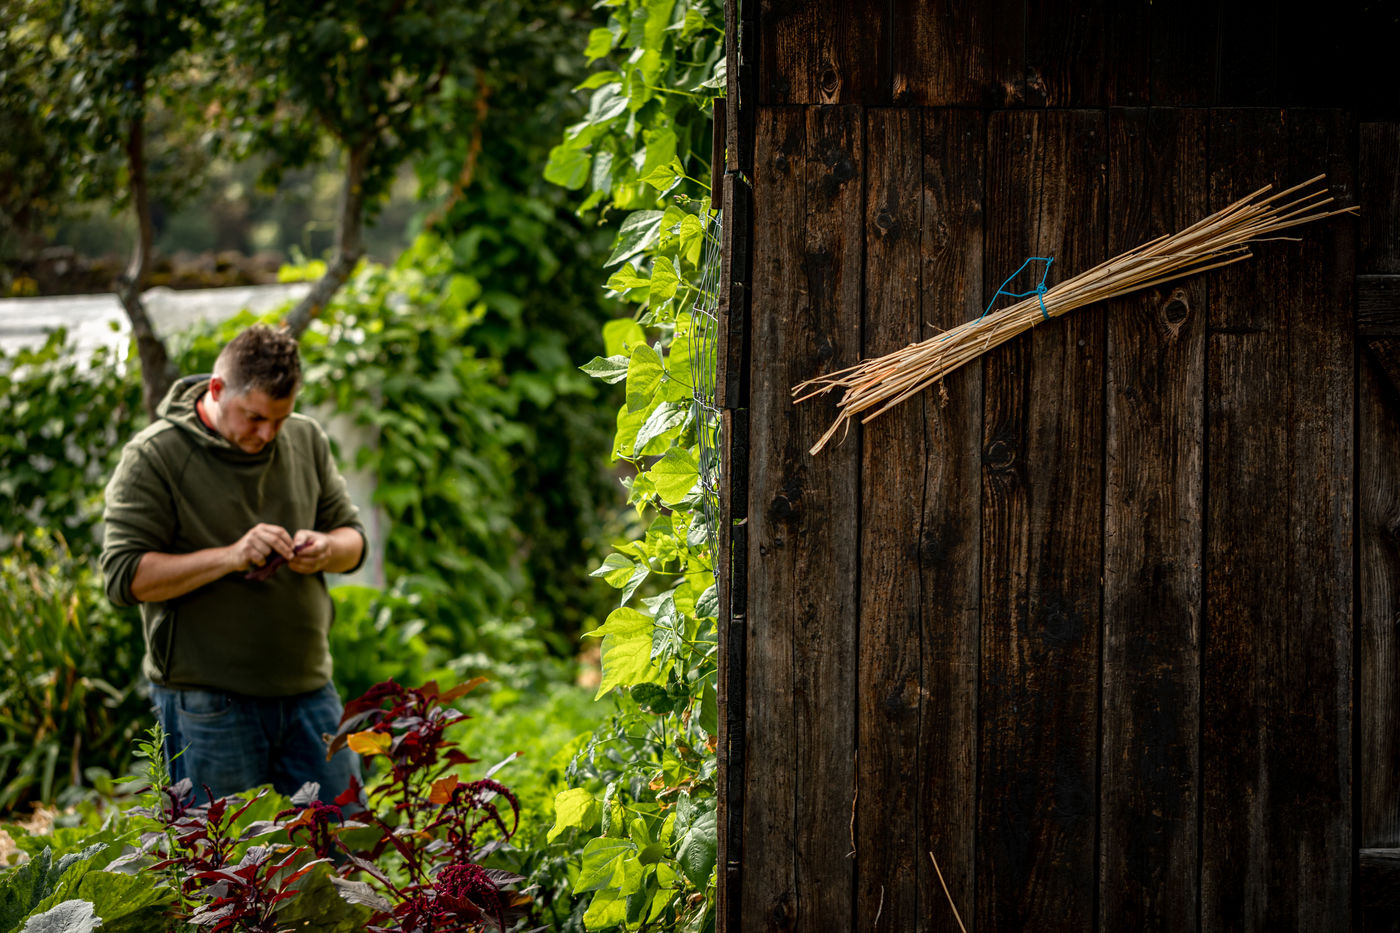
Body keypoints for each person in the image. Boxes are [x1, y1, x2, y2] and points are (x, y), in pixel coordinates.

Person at [101, 324, 366, 803]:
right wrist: (231, 556)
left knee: (346, 839)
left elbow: (353, 539)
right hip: (208, 705)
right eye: (255, 417)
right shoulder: (155, 455)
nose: (267, 434)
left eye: (279, 419)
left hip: (310, 693)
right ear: (217, 388)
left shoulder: (305, 437)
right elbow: (124, 576)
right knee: (225, 850)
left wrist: (327, 548)